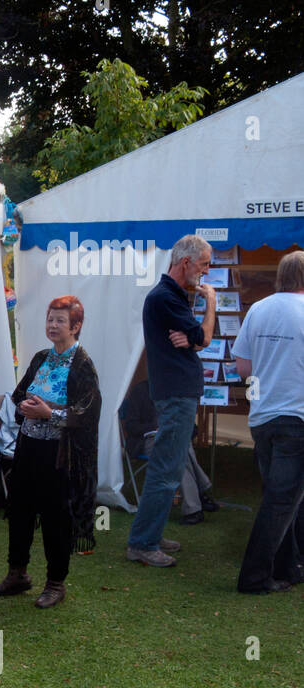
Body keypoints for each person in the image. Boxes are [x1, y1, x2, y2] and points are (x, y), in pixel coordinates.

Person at [0, 296, 100, 608]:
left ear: (76, 326)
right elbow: (22, 393)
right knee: (20, 511)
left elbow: (87, 415)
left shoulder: (83, 365)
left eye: (60, 320)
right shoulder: (40, 358)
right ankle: (17, 573)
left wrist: (49, 414)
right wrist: (24, 406)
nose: (52, 325)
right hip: (29, 449)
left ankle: (55, 582)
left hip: (59, 456)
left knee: (56, 517)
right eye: (50, 319)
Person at [126, 235, 215, 567]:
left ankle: (150, 534)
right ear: (186, 262)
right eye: (205, 263)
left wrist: (191, 341)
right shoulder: (165, 297)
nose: (207, 272)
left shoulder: (171, 296)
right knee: (166, 468)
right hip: (176, 394)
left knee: (170, 466)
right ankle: (143, 543)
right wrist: (212, 305)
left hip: (177, 392)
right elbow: (203, 337)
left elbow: (193, 339)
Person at [231, 250, 304, 594]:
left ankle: (287, 566)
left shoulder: (258, 309)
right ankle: (254, 577)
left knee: (281, 496)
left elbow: (243, 369)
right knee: (282, 500)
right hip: (297, 416)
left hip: (262, 416)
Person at [119, 382, 219, 525]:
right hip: (146, 440)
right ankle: (200, 494)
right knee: (176, 446)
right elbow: (131, 426)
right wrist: (157, 428)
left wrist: (177, 429)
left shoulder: (175, 391)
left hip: (172, 439)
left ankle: (194, 508)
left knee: (178, 446)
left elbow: (193, 428)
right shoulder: (140, 391)